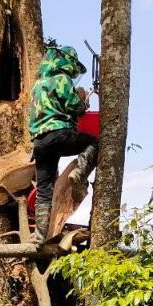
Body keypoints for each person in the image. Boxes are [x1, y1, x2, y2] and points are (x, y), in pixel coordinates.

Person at [28, 43, 97, 243]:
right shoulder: (62, 79)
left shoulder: (38, 84)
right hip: (59, 134)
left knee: (44, 190)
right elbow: (73, 105)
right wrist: (83, 102)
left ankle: (39, 237)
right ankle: (80, 172)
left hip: (39, 142)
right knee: (94, 142)